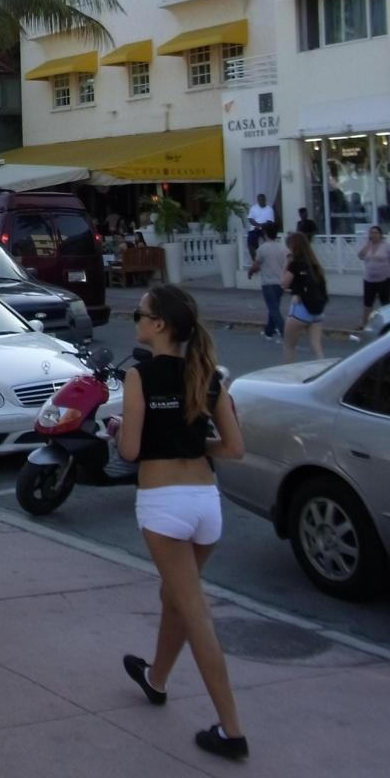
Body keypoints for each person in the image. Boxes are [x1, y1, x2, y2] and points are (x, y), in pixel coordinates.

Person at [117, 284, 247, 762]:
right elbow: (233, 448)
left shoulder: (139, 377)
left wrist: (120, 432)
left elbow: (130, 451)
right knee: (175, 597)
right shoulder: (207, 374)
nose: (136, 319)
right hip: (206, 503)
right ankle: (156, 680)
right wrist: (191, 444)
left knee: (194, 610)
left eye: (140, 313)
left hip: (163, 504)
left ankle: (232, 731)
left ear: (159, 325)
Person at [281, 232, 328, 362]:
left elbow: (284, 283)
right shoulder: (314, 264)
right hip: (317, 310)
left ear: (293, 246)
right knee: (316, 346)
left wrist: (286, 263)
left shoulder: (295, 264)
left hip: (300, 308)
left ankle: (289, 372)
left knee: (289, 345)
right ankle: (324, 369)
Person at [247, 222, 287, 341]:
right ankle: (269, 331)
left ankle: (285, 333)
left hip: (268, 283)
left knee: (274, 309)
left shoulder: (262, 249)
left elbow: (256, 265)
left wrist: (250, 272)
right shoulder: (283, 248)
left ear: (265, 233)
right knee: (274, 307)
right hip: (280, 282)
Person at [355, 225, 390, 332]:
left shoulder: (386, 246)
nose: (373, 235)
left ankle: (387, 323)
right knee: (367, 303)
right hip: (369, 279)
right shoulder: (368, 246)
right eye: (371, 233)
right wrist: (368, 245)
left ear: (380, 234)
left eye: (376, 233)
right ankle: (364, 324)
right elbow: (360, 255)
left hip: (384, 279)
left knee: (385, 303)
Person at [245, 193, 274, 260]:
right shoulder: (253, 208)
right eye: (259, 200)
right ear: (257, 200)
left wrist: (262, 225)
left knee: (270, 243)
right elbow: (250, 219)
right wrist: (258, 225)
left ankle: (269, 259)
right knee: (250, 244)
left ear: (265, 200)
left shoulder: (269, 209)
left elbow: (270, 221)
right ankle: (255, 261)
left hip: (265, 228)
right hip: (255, 228)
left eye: (262, 200)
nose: (261, 201)